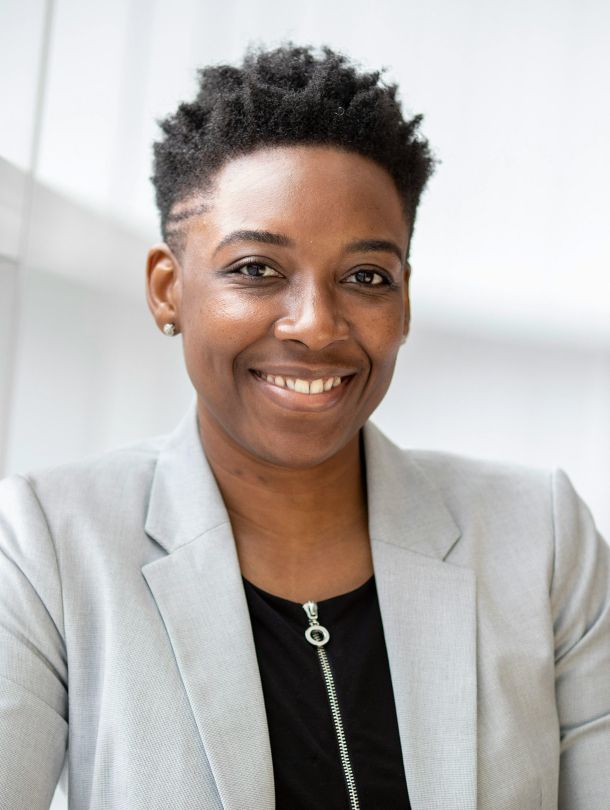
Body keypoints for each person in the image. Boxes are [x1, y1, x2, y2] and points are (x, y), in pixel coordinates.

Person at [0, 44, 608, 810]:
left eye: (366, 277)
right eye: (256, 269)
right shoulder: (47, 546)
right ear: (167, 289)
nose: (316, 325)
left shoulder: (540, 539)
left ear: (404, 303)